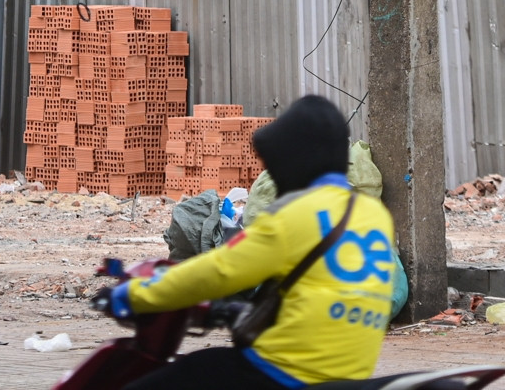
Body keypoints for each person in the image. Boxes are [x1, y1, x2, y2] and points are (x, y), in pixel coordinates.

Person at [106, 96, 397, 390]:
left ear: (296, 162)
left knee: (187, 372)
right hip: (348, 374)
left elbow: (219, 271)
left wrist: (135, 294)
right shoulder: (373, 214)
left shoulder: (295, 214)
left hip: (287, 372)